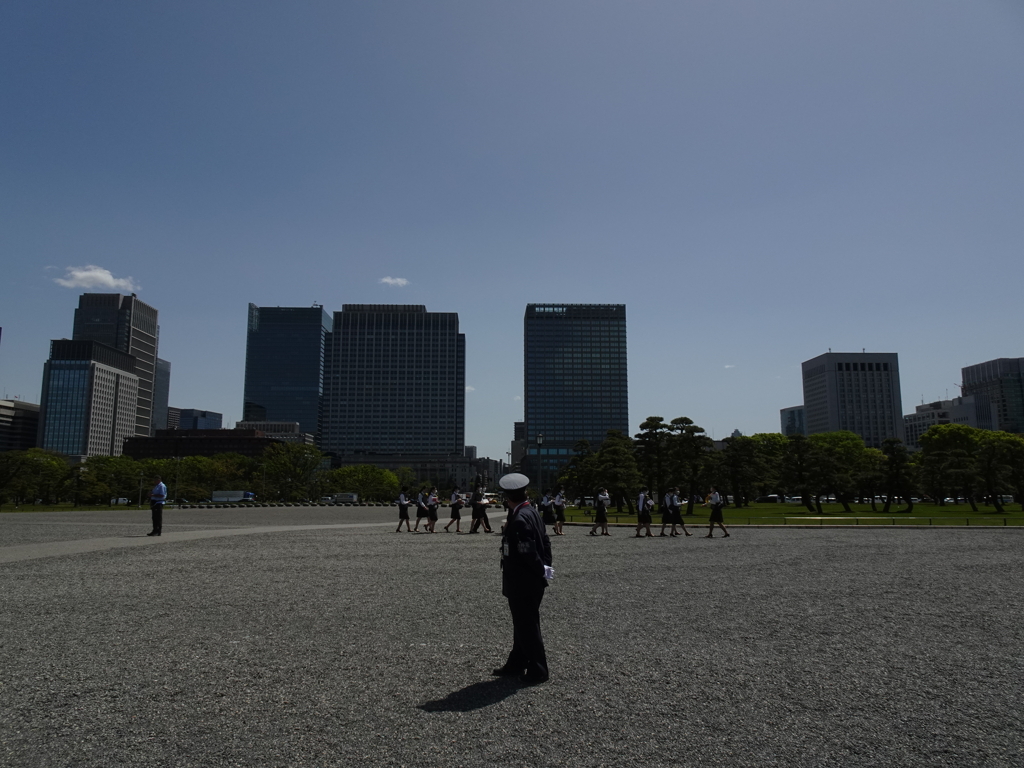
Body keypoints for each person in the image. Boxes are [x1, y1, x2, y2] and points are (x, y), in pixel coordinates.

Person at [492, 472, 552, 685]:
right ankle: (517, 662)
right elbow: (545, 542)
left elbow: (527, 552)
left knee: (527, 624)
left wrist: (538, 570)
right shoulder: (532, 512)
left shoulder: (518, 519)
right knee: (523, 623)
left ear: (507, 497)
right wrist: (546, 567)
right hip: (532, 578)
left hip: (523, 580)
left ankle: (538, 669)